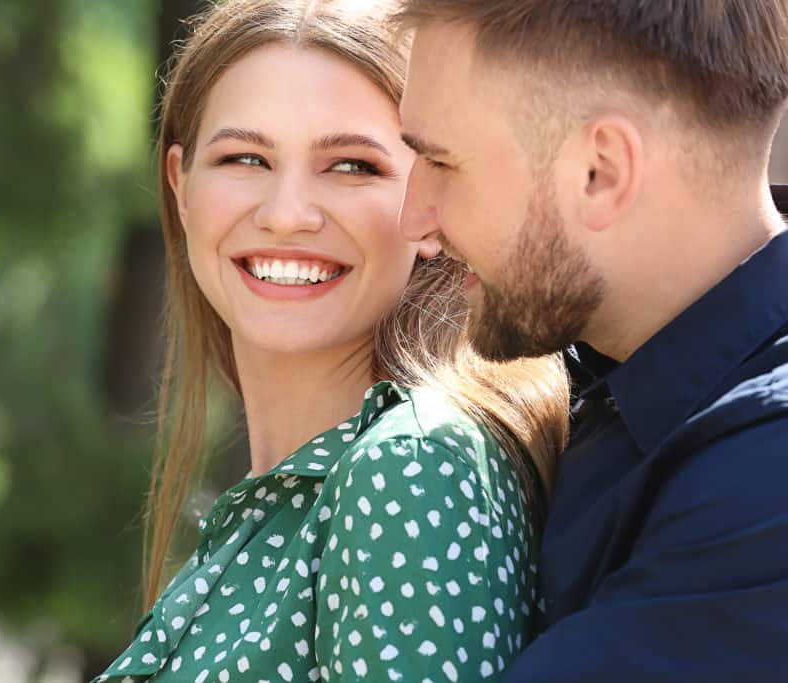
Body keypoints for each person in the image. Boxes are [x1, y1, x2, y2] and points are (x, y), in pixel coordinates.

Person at [93, 1, 570, 681]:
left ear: (431, 196)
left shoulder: (410, 467)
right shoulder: (284, 504)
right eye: (245, 157)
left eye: (351, 166)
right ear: (180, 186)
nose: (286, 214)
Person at [394, 1, 788, 680]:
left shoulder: (765, 491)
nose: (412, 219)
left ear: (599, 172)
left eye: (440, 161)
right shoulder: (604, 376)